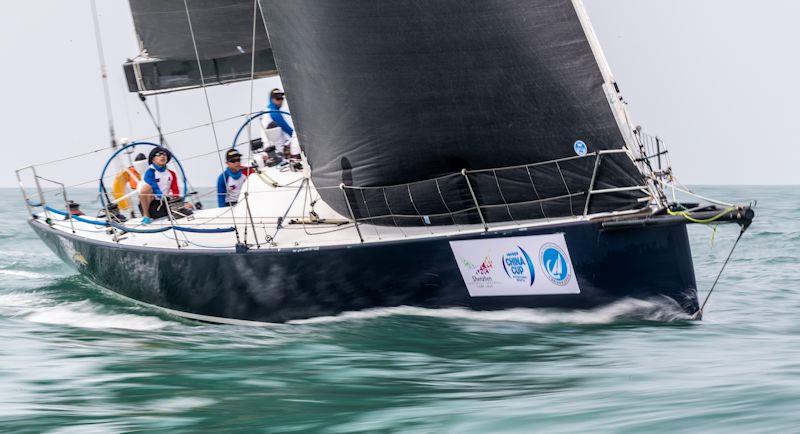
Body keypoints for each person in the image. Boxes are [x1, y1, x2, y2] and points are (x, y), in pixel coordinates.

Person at [139, 147, 181, 224]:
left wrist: (176, 199)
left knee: (188, 206)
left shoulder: (171, 173)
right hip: (152, 204)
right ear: (153, 159)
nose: (162, 156)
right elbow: (154, 186)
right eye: (158, 155)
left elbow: (175, 189)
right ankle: (146, 216)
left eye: (164, 154)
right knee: (146, 188)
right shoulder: (150, 173)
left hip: (166, 202)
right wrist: (162, 196)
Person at [261, 88, 301, 159]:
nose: (280, 101)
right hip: (278, 150)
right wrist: (299, 136)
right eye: (277, 98)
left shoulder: (268, 111)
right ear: (271, 99)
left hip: (272, 147)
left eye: (282, 98)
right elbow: (288, 129)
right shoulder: (274, 112)